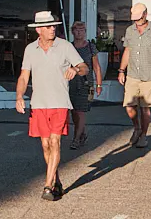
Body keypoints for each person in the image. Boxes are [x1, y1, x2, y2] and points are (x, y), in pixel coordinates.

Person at [14, 11, 86, 202]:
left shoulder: (65, 46)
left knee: (55, 142)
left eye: (54, 25)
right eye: (48, 26)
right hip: (38, 104)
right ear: (39, 30)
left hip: (60, 102)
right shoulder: (30, 49)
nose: (53, 28)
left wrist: (75, 69)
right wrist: (19, 96)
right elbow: (23, 76)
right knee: (45, 145)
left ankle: (47, 185)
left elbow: (84, 66)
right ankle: (56, 180)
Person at [117, 3, 151, 149]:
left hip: (150, 75)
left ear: (145, 14)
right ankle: (137, 127)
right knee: (129, 106)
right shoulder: (130, 31)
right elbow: (127, 51)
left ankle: (143, 134)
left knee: (145, 108)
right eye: (135, 19)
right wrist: (121, 70)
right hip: (133, 74)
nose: (136, 22)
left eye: (139, 18)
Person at [67, 20, 102, 150]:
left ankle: (76, 139)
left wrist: (99, 84)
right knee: (74, 112)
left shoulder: (90, 47)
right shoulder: (69, 47)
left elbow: (96, 67)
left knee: (81, 111)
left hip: (85, 83)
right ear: (72, 32)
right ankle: (81, 133)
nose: (79, 32)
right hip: (71, 83)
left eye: (82, 30)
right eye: (77, 29)